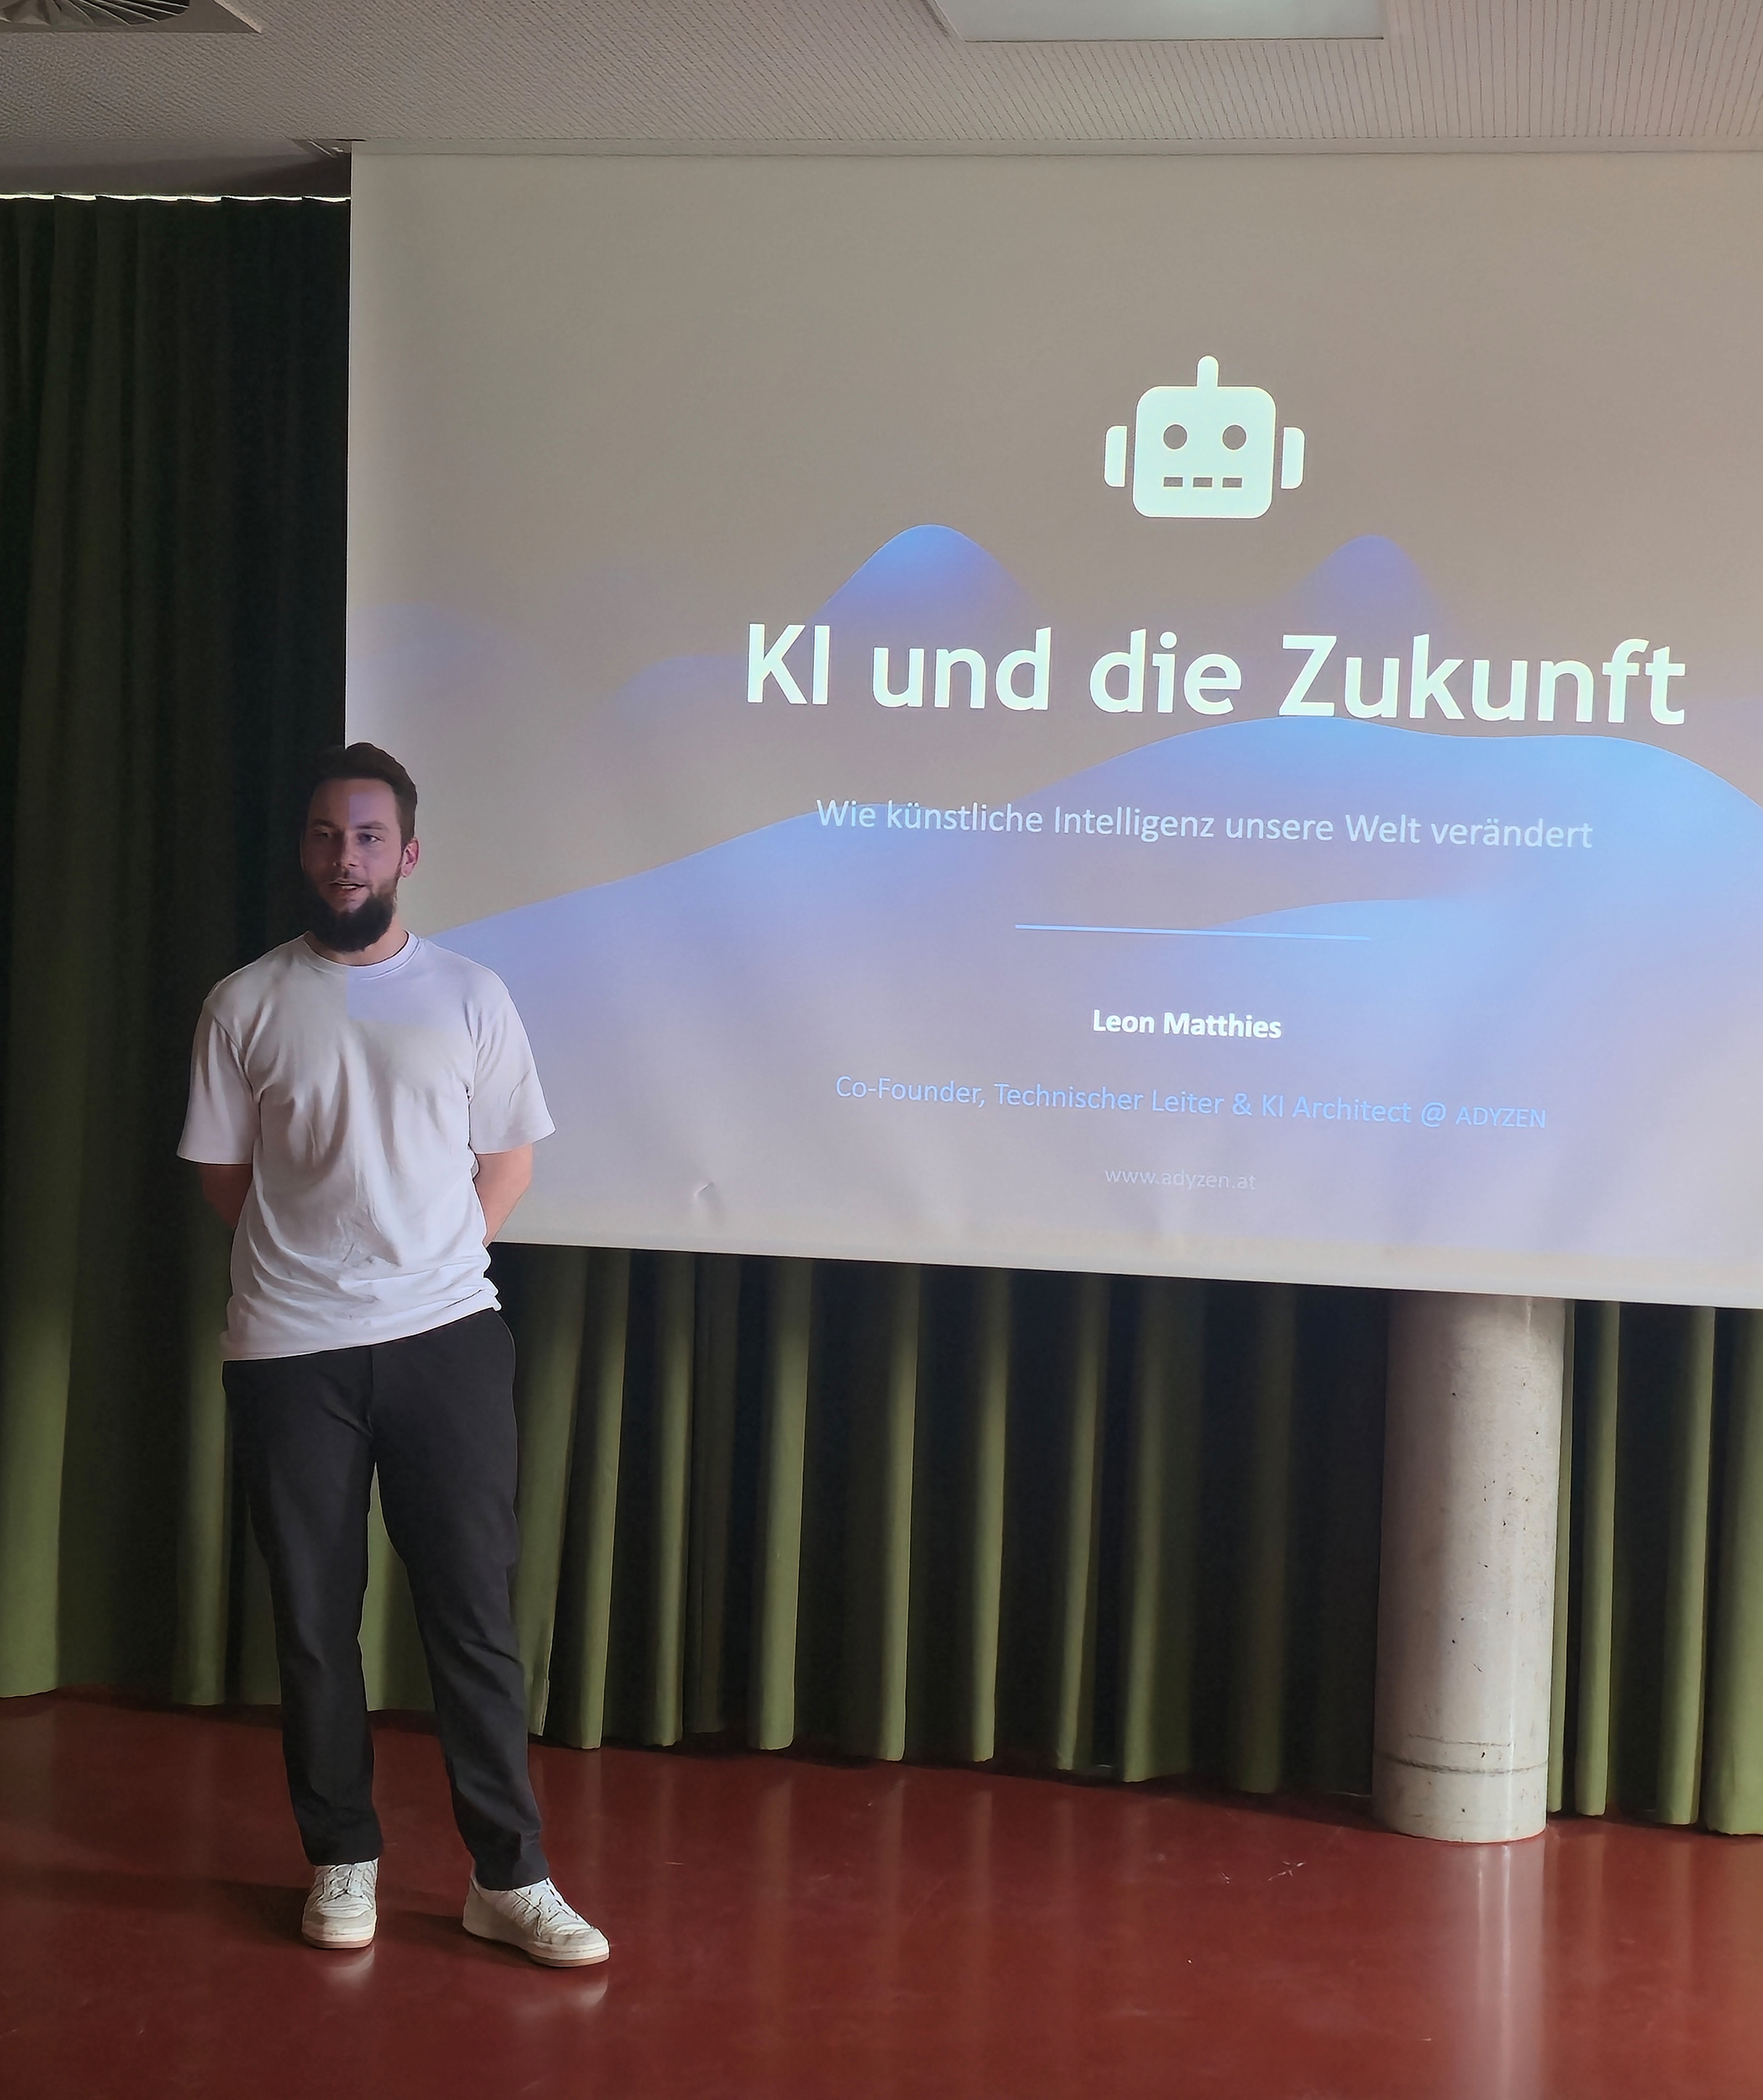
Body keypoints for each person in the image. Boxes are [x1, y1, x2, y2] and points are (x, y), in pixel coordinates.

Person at [178, 742, 607, 1967]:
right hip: (288, 1349)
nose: (345, 857)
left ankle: (509, 1879)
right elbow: (224, 1175)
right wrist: (321, 1267)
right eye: (326, 835)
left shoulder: (471, 995)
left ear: (407, 853)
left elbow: (508, 1161)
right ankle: (342, 1859)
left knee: (472, 1616)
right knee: (315, 1620)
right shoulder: (245, 1003)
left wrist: (424, 1263)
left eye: (368, 837)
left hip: (447, 1340)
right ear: (304, 851)